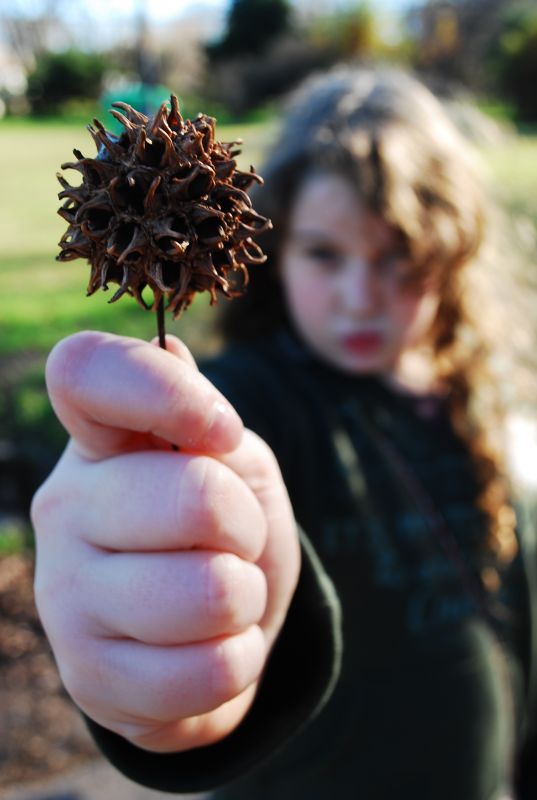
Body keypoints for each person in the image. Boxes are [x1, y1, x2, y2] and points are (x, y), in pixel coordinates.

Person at [31, 66, 537, 799]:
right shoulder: (247, 408)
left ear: (450, 261)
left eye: (397, 258)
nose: (360, 296)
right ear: (268, 252)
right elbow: (194, 513)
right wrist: (162, 702)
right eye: (325, 254)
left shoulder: (481, 408)